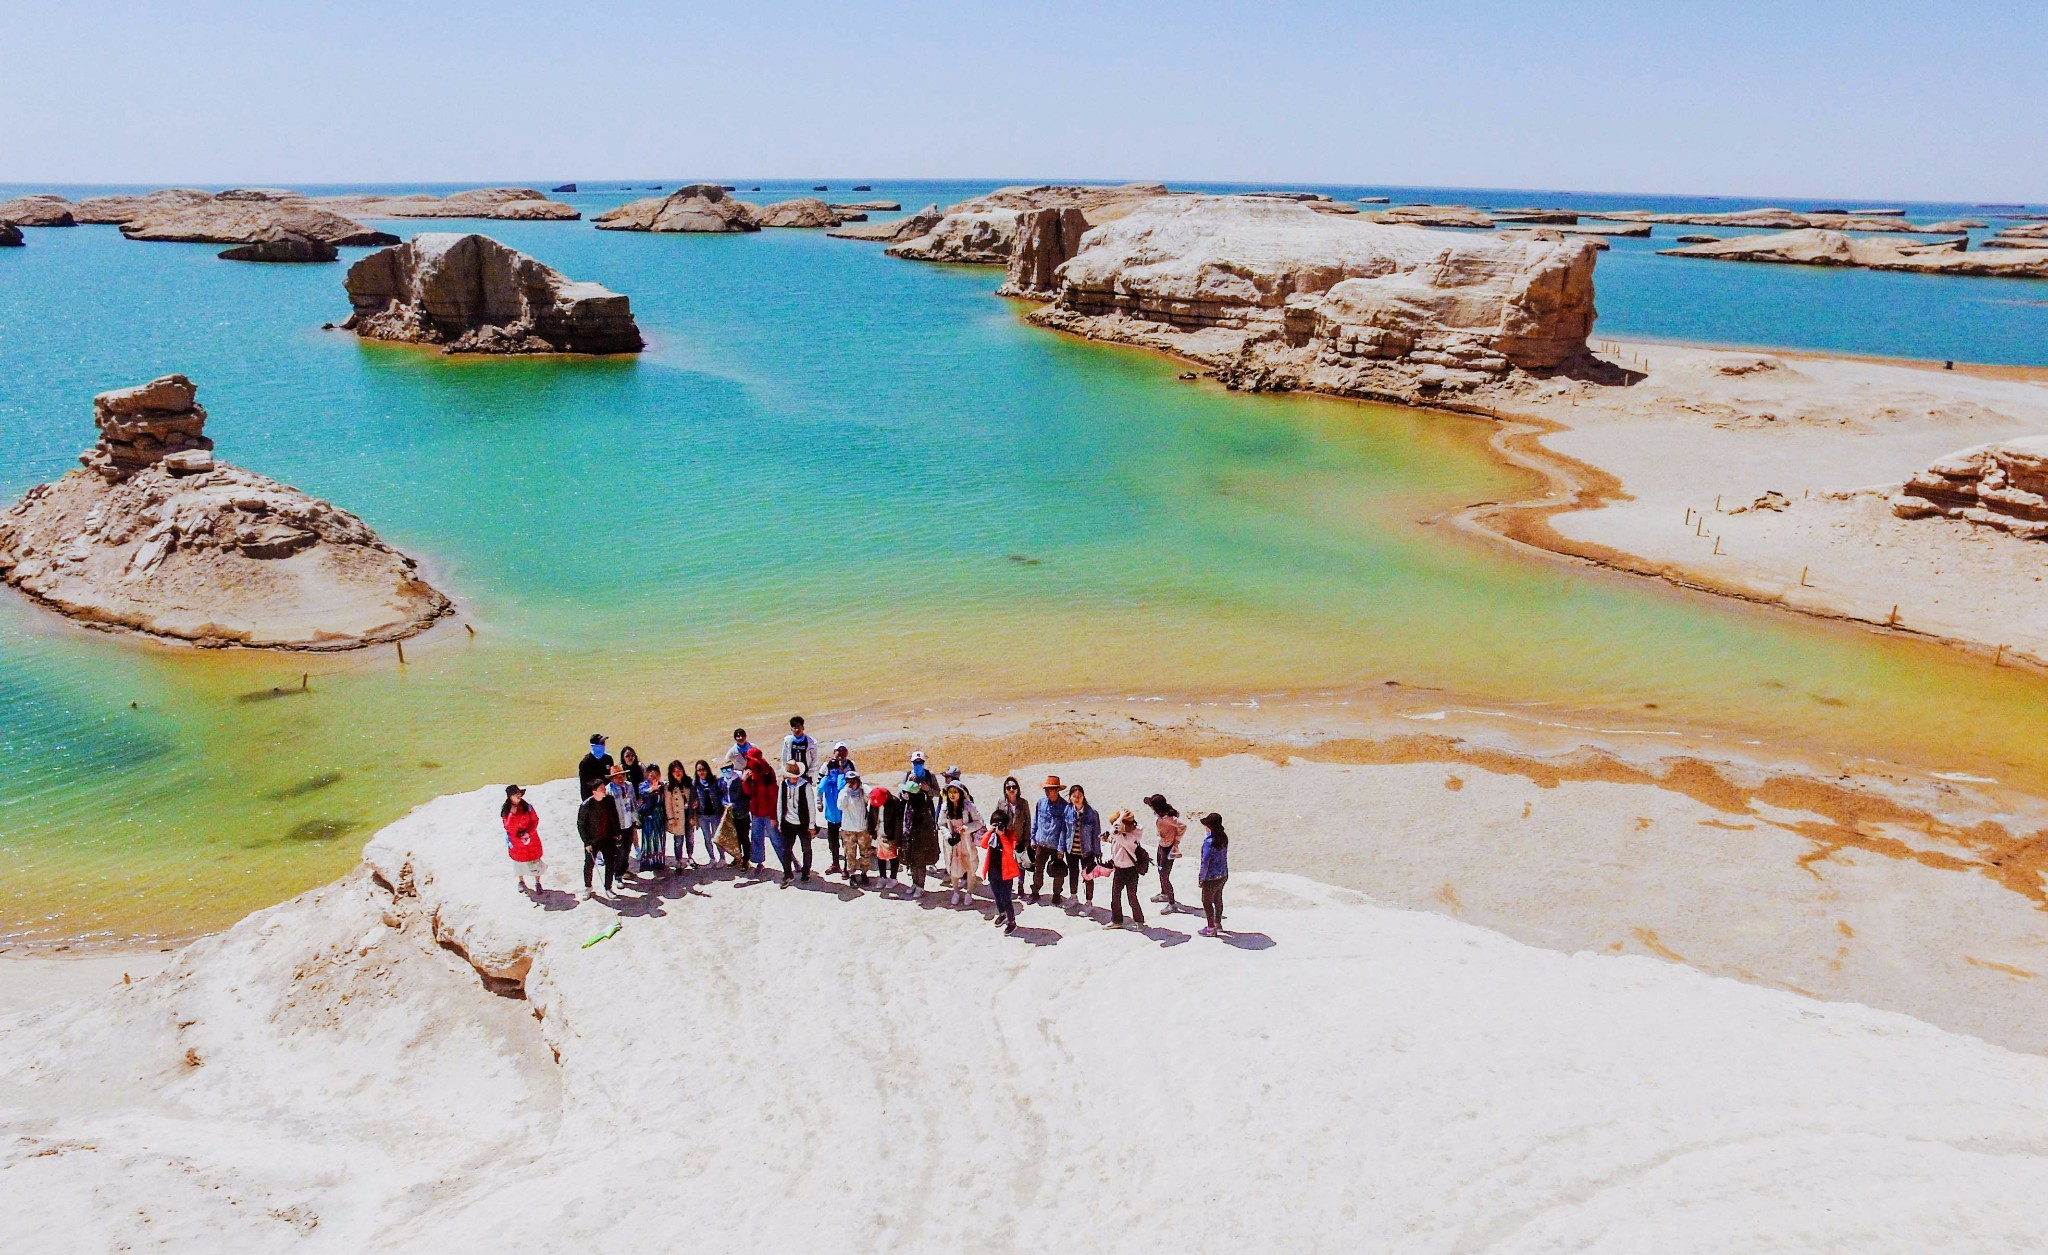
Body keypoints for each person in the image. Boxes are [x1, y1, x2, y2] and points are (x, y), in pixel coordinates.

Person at [1028, 776, 1072, 904]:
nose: (1047, 792)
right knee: (1038, 869)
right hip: (1041, 843)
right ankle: (1035, 892)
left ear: (1057, 790)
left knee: (1058, 871)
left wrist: (1061, 847)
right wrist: (1033, 839)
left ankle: (1057, 894)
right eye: (1046, 789)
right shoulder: (1040, 803)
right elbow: (1035, 821)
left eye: (1050, 789)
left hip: (1055, 845)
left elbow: (1065, 829)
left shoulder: (1065, 807)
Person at [577, 776, 623, 896]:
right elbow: (581, 825)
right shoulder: (586, 805)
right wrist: (586, 842)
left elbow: (614, 817)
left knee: (610, 862)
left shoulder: (609, 800)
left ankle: (608, 887)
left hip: (607, 838)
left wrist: (617, 833)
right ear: (595, 791)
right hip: (592, 840)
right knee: (589, 864)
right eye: (601, 788)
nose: (604, 790)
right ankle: (588, 887)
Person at [939, 781, 983, 906]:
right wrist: (948, 835)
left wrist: (966, 828)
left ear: (960, 793)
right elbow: (941, 824)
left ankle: (969, 893)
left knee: (970, 867)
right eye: (950, 792)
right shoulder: (945, 807)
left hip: (967, 841)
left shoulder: (968, 806)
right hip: (953, 843)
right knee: (953, 867)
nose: (952, 795)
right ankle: (956, 892)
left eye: (955, 792)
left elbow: (979, 821)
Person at [776, 759, 818, 884]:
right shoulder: (783, 785)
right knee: (786, 849)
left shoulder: (806, 786)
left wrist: (811, 825)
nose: (793, 779)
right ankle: (788, 874)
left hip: (803, 824)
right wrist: (780, 821)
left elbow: (811, 807)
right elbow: (780, 803)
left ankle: (806, 873)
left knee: (806, 849)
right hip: (788, 822)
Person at [981, 807, 1021, 935]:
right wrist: (990, 831)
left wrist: (1002, 835)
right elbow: (983, 844)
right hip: (993, 871)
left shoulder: (1010, 835)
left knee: (1006, 898)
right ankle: (1002, 914)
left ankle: (1012, 922)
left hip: (1006, 873)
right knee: (997, 896)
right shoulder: (992, 835)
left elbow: (1009, 851)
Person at [1105, 809, 1146, 929]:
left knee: (1131, 896)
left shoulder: (1129, 837)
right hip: (1119, 869)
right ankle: (1117, 920)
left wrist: (1121, 817)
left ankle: (1138, 921)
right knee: (1115, 896)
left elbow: (1113, 831)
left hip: (1130, 870)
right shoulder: (1123, 835)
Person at [901, 775, 941, 898]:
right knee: (911, 860)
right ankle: (914, 883)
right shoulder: (909, 803)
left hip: (921, 837)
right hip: (910, 835)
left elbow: (926, 823)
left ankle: (920, 886)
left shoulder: (922, 802)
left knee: (920, 861)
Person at [1144, 794, 1186, 911]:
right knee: (1160, 870)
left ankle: (1172, 903)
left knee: (1164, 875)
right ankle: (1164, 893)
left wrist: (1176, 840)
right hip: (1162, 845)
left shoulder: (1167, 818)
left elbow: (1182, 826)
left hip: (1168, 848)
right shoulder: (1161, 814)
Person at [1065, 783, 1103, 909]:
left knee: (1088, 876)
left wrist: (1097, 852)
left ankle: (1088, 902)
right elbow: (1063, 831)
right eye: (1074, 796)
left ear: (1083, 796)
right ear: (1070, 797)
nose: (1077, 798)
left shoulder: (1092, 813)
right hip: (1071, 850)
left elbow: (1096, 833)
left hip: (1087, 851)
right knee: (1073, 874)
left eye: (1079, 796)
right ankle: (1073, 896)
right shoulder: (1067, 811)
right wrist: (1061, 848)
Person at [501, 784, 544, 893]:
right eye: (516, 794)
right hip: (517, 843)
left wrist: (528, 833)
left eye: (519, 793)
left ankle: (538, 883)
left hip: (531, 839)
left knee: (535, 861)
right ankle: (521, 881)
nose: (519, 795)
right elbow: (508, 827)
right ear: (510, 797)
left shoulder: (527, 807)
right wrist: (512, 814)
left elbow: (535, 820)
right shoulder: (506, 811)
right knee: (519, 863)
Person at [996, 777, 1031, 908]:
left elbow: (1027, 822)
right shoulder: (1001, 802)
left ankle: (1020, 886)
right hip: (1006, 839)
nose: (1011, 790)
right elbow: (996, 818)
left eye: (1014, 787)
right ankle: (1009, 887)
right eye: (1008, 787)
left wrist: (1027, 840)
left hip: (1020, 837)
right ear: (1005, 790)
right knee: (1007, 864)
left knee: (1020, 864)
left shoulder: (1023, 803)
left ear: (1018, 789)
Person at [742, 746, 779, 872]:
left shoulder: (768, 773)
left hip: (768, 813)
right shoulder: (749, 772)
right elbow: (748, 793)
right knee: (756, 838)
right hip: (756, 812)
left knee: (776, 839)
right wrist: (744, 781)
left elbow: (773, 796)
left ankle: (789, 863)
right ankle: (759, 863)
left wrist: (773, 816)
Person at [818, 750, 852, 875]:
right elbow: (820, 788)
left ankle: (846, 867)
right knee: (833, 842)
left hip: (843, 814)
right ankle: (835, 864)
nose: (833, 770)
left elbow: (841, 787)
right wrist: (827, 778)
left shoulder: (842, 778)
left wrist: (840, 775)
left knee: (846, 842)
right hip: (831, 815)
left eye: (834, 768)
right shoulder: (827, 780)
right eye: (831, 768)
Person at [1197, 813, 1230, 937]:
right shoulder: (1223, 837)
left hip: (1211, 877)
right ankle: (1218, 923)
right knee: (1218, 898)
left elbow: (1205, 862)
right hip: (1223, 874)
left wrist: (1201, 878)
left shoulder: (1209, 842)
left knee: (1206, 902)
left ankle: (1211, 928)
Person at [691, 760, 725, 867]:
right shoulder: (695, 784)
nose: (701, 772)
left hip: (715, 815)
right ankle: (712, 858)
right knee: (707, 838)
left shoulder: (715, 781)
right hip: (702, 816)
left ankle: (722, 858)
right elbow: (692, 799)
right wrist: (693, 806)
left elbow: (722, 795)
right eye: (699, 770)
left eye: (703, 769)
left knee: (717, 837)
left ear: (707, 770)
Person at [839, 771, 872, 886]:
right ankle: (852, 874)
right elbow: (840, 805)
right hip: (848, 829)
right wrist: (847, 792)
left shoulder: (862, 792)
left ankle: (864, 873)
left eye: (854, 782)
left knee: (865, 853)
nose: (851, 784)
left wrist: (862, 786)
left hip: (862, 828)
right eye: (849, 782)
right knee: (850, 854)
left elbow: (871, 796)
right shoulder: (844, 792)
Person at [607, 767, 640, 877]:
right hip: (617, 826)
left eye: (622, 776)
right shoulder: (608, 790)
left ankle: (624, 870)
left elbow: (634, 803)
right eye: (617, 777)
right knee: (619, 852)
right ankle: (617, 875)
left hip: (629, 823)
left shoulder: (629, 786)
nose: (620, 779)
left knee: (627, 849)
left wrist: (636, 820)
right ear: (612, 779)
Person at [637, 764, 667, 871]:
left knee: (659, 838)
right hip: (649, 817)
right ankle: (647, 863)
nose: (653, 778)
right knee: (649, 839)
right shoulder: (643, 785)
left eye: (656, 775)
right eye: (651, 776)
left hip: (659, 816)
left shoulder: (662, 785)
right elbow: (643, 792)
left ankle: (658, 862)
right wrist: (652, 789)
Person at [873, 784, 904, 888]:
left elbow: (899, 821)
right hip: (879, 831)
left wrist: (897, 836)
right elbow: (870, 817)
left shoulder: (895, 802)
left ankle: (893, 878)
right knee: (880, 856)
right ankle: (882, 877)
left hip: (891, 833)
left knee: (893, 856)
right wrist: (871, 831)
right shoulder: (874, 802)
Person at [664, 760, 694, 868]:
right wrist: (671, 819)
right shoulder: (669, 786)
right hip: (677, 817)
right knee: (678, 840)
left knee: (690, 838)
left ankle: (690, 857)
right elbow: (668, 804)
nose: (678, 773)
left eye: (679, 770)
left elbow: (693, 798)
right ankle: (679, 860)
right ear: (671, 773)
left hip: (688, 814)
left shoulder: (688, 782)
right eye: (675, 771)